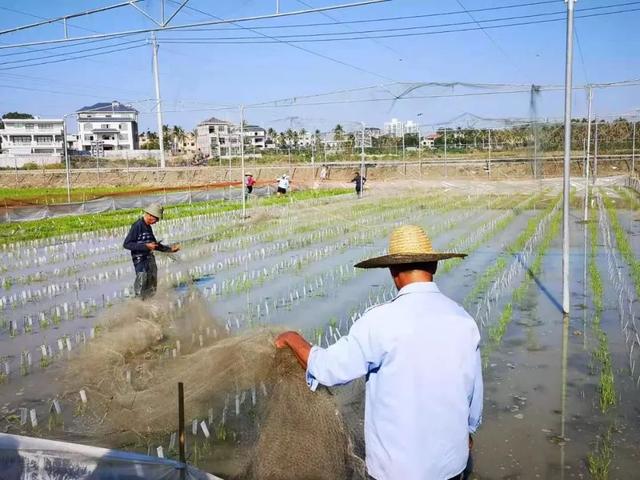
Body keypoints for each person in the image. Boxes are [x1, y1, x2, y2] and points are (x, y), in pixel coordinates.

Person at [275, 224, 482, 480]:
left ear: (393, 271)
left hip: (396, 471)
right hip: (451, 465)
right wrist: (467, 433)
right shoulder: (463, 320)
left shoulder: (380, 321)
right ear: (435, 267)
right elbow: (473, 395)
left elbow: (329, 369)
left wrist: (295, 340)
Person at [123, 203, 180, 299]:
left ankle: (149, 308)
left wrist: (170, 249)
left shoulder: (148, 227)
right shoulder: (138, 226)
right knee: (141, 289)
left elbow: (154, 245)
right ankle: (138, 309)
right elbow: (127, 244)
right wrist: (146, 246)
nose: (156, 221)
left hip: (150, 260)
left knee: (152, 289)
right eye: (156, 219)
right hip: (141, 261)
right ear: (150, 215)